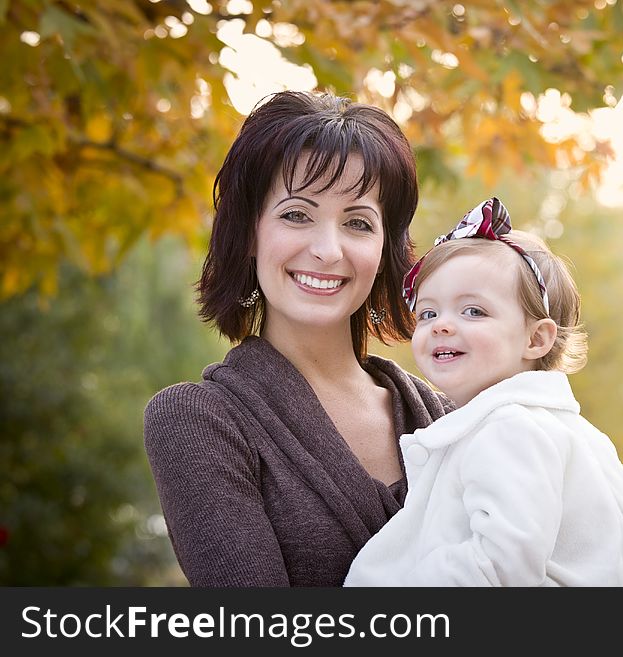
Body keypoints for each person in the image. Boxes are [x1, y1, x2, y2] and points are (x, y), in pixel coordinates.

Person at [143, 91, 452, 586]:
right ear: (250, 232)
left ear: (384, 249)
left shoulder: (453, 417)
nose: (328, 250)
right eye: (296, 214)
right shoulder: (199, 421)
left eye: (357, 222)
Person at [345, 198, 623, 586]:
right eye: (428, 313)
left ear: (536, 339)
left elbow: (502, 565)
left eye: (473, 311)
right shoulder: (563, 428)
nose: (441, 326)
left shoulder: (510, 429)